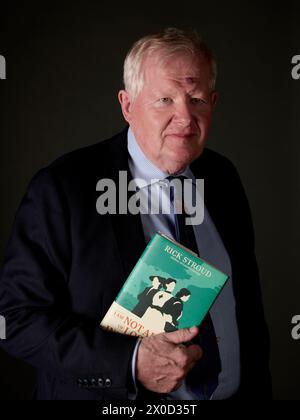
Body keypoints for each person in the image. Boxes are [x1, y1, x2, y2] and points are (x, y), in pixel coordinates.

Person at [0, 28, 271, 400]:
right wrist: (129, 361)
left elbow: (247, 309)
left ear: (214, 102)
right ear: (128, 106)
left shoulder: (223, 177)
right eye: (165, 99)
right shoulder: (63, 188)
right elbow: (15, 319)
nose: (185, 118)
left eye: (197, 100)